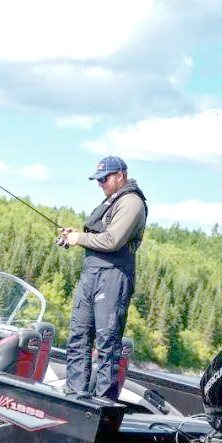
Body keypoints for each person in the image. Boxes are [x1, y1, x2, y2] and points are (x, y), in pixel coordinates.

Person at [57, 155, 148, 400]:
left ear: (121, 176)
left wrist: (79, 239)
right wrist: (74, 236)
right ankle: (74, 393)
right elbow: (99, 234)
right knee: (78, 335)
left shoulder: (131, 202)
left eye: (104, 179)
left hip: (113, 278)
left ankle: (103, 402)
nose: (101, 184)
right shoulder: (112, 200)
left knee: (106, 342)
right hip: (91, 276)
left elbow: (112, 240)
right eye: (98, 180)